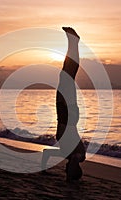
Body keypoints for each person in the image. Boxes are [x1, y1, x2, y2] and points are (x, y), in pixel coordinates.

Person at [41, 27, 86, 181]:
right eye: (68, 170)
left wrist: (43, 170)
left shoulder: (66, 154)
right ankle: (74, 42)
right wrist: (69, 178)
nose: (66, 168)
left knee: (65, 74)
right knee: (68, 75)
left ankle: (73, 42)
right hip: (68, 115)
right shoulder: (79, 157)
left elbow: (46, 153)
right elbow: (75, 159)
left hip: (65, 115)